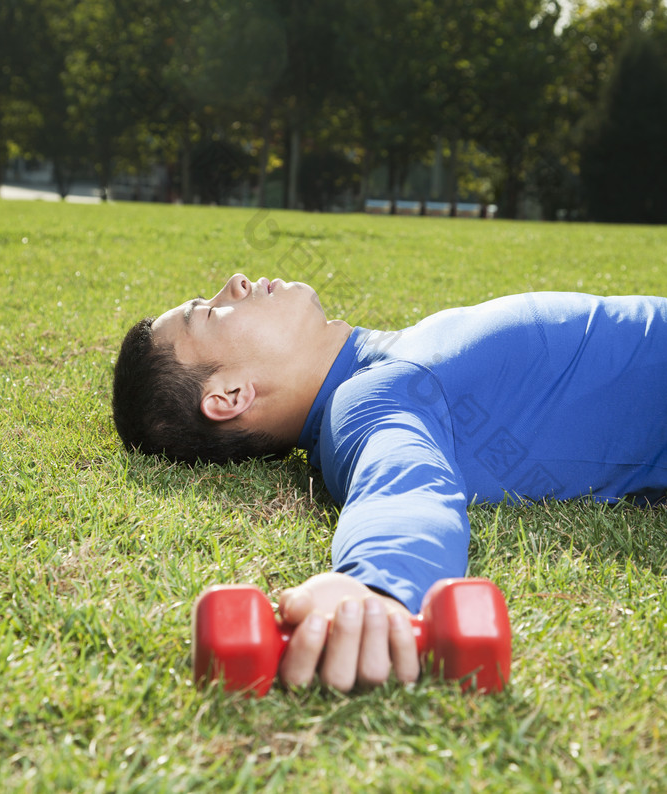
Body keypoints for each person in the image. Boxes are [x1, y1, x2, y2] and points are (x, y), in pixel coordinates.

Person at [113, 273, 667, 692]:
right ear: (231, 397)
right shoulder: (368, 400)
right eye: (208, 314)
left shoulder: (377, 362)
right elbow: (403, 482)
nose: (232, 284)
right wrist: (374, 585)